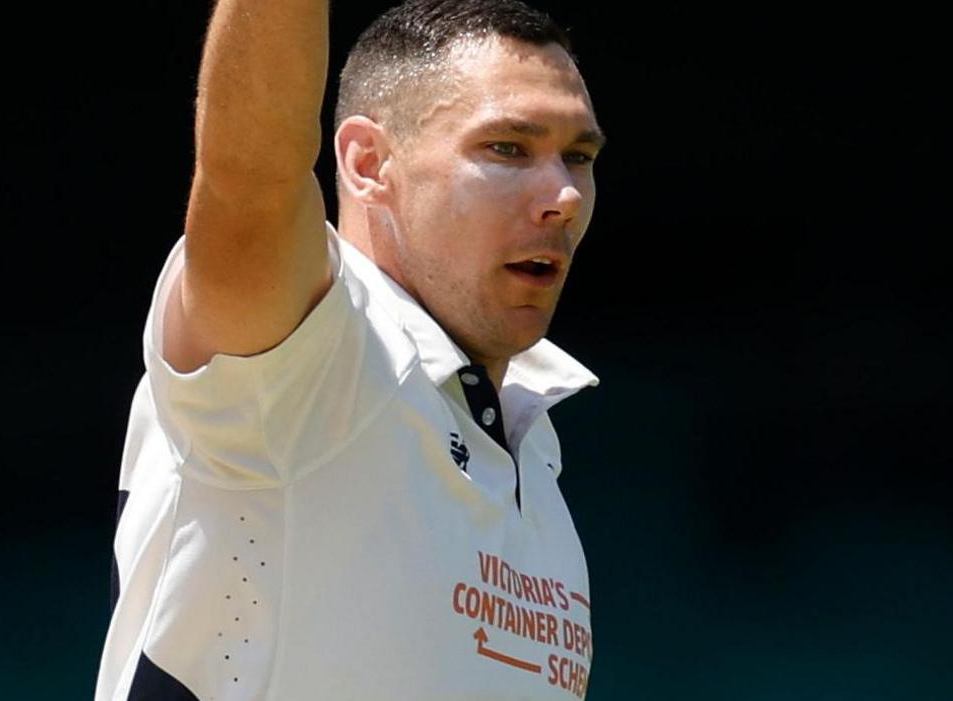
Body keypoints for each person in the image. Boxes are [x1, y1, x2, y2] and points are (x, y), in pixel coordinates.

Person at [95, 0, 604, 698]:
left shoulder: (533, 443)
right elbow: (250, 174)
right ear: (368, 163)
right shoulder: (312, 357)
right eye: (508, 148)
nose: (565, 196)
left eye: (578, 156)